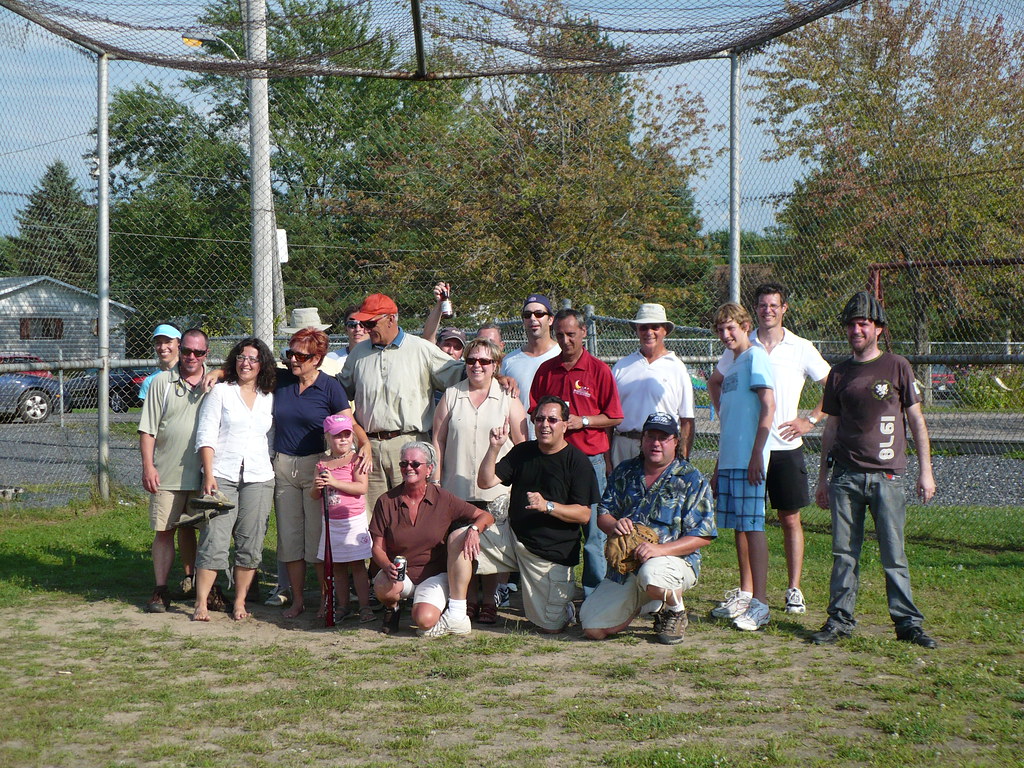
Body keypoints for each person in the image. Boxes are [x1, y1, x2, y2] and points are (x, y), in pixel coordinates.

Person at [810, 292, 937, 649]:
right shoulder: (839, 373)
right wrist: (823, 478)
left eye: (863, 323)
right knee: (843, 553)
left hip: (888, 477)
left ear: (878, 329)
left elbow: (915, 419)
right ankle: (839, 620)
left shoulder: (897, 365)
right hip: (846, 477)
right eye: (851, 324)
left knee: (893, 553)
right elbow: (831, 428)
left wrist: (925, 471)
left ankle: (907, 623)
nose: (856, 330)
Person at [711, 283, 830, 615]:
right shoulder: (740, 348)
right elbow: (715, 382)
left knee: (789, 517)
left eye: (774, 305)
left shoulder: (801, 347)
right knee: (744, 521)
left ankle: (793, 589)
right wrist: (728, 415)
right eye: (762, 305)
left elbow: (832, 385)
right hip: (749, 449)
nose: (768, 310)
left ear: (784, 308)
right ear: (755, 312)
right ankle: (747, 591)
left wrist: (810, 419)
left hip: (784, 445)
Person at [580, 412, 716, 644]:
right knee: (592, 627)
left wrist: (660, 551)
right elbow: (603, 514)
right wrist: (615, 523)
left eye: (663, 438)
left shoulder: (691, 478)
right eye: (650, 436)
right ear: (642, 440)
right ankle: (647, 601)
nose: (656, 443)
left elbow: (703, 535)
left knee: (652, 572)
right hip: (627, 565)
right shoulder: (625, 471)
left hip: (672, 561)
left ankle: (674, 609)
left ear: (675, 441)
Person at [476, 396, 599, 633]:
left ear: (565, 425)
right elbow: (485, 480)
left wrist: (548, 506)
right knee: (460, 541)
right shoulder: (523, 452)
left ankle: (565, 609)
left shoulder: (578, 463)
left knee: (550, 628)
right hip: (512, 540)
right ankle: (460, 611)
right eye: (540, 418)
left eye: (552, 420)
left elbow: (584, 515)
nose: (545, 424)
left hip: (550, 555)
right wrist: (494, 447)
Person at [272, 326, 366, 619]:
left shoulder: (330, 386)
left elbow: (349, 423)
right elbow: (244, 369)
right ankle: (297, 600)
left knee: (316, 538)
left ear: (317, 358)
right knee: (290, 538)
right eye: (290, 354)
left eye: (301, 355)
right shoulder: (282, 379)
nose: (293, 360)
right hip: (284, 465)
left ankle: (326, 601)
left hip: (317, 465)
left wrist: (366, 446)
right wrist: (217, 373)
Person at [339, 293, 464, 511]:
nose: (366, 329)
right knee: (373, 518)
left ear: (391, 319)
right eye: (363, 323)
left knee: (412, 515)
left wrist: (497, 375)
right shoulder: (358, 353)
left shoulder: (420, 349)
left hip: (410, 446)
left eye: (370, 323)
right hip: (369, 449)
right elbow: (341, 389)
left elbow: (458, 375)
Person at [432, 337, 527, 624]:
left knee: (492, 548)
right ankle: (468, 600)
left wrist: (520, 484)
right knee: (463, 546)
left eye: (485, 361)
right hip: (457, 487)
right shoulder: (451, 395)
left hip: (497, 489)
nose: (477, 366)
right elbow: (437, 440)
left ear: (495, 365)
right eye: (471, 360)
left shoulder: (508, 398)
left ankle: (489, 601)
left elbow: (522, 444)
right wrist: (435, 482)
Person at [530, 308, 623, 596]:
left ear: (584, 332)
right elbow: (534, 409)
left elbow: (615, 416)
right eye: (559, 335)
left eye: (571, 334)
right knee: (555, 523)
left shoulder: (598, 370)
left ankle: (594, 590)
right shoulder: (547, 370)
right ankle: (556, 587)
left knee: (593, 531)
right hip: (555, 459)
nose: (566, 340)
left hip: (589, 460)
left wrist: (582, 421)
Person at [369, 441, 494, 636]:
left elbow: (486, 516)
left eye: (415, 464)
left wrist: (474, 530)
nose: (408, 468)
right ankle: (392, 608)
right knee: (383, 586)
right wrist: (387, 566)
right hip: (402, 574)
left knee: (424, 621)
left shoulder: (444, 499)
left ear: (429, 469)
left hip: (434, 574)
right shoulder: (386, 501)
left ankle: (438, 607)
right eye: (404, 464)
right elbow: (377, 547)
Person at [193, 337, 276, 622]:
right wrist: (209, 474)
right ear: (234, 361)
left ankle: (240, 601)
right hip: (223, 475)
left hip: (259, 476)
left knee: (250, 541)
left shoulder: (269, 395)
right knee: (214, 539)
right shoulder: (221, 392)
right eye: (241, 357)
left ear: (262, 364)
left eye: (253, 358)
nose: (246, 363)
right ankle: (201, 602)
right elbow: (205, 434)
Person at [708, 303, 776, 631]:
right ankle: (746, 594)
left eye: (731, 328)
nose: (726, 334)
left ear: (746, 325)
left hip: (750, 460)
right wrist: (720, 465)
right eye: (721, 330)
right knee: (738, 527)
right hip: (731, 461)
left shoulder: (756, 357)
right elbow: (731, 421)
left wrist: (756, 455)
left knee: (754, 526)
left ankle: (761, 603)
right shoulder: (732, 364)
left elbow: (768, 406)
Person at [138, 328, 210, 613]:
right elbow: (147, 429)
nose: (192, 357)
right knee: (164, 530)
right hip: (167, 471)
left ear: (207, 353)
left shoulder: (216, 381)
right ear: (181, 349)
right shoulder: (160, 383)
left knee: (207, 531)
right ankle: (160, 590)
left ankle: (205, 588)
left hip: (206, 474)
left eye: (199, 352)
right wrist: (148, 466)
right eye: (188, 351)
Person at [611, 303, 695, 467]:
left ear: (665, 330)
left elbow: (687, 421)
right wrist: (607, 460)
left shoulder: (677, 368)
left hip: (660, 446)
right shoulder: (622, 366)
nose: (649, 332)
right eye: (643, 327)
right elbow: (609, 417)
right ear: (637, 331)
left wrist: (682, 460)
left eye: (655, 327)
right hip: (623, 444)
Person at [312, 414, 373, 623]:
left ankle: (365, 607)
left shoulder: (357, 460)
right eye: (338, 436)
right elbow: (314, 495)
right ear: (328, 437)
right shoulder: (321, 464)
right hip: (330, 522)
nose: (344, 439)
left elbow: (361, 487)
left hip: (353, 520)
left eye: (347, 434)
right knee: (337, 566)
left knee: (357, 565)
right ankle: (343, 605)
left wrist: (335, 483)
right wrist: (316, 487)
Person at [501, 293, 559, 439]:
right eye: (527, 315)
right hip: (520, 441)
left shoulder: (561, 355)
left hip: (555, 443)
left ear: (550, 319)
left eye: (539, 314)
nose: (533, 318)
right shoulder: (510, 360)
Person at [138, 323, 181, 401]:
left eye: (168, 342)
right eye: (158, 342)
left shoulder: (191, 374)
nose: (162, 347)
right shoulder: (150, 381)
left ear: (179, 344)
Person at [322, 304, 369, 368]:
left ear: (370, 327)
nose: (358, 329)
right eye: (352, 325)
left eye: (363, 324)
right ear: (345, 329)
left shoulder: (380, 357)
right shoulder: (332, 359)